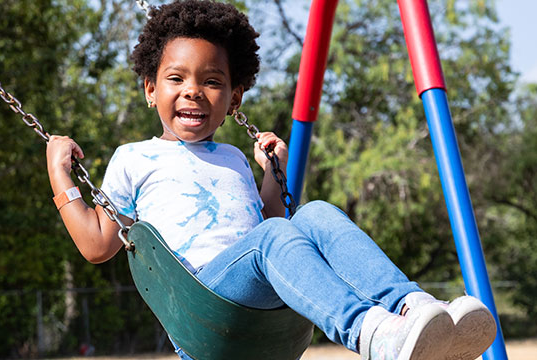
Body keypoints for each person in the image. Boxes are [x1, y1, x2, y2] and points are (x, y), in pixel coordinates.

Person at [45, 1, 497, 359]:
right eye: (175, 78)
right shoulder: (134, 157)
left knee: (315, 213)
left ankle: (412, 309)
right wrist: (60, 175)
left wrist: (269, 174)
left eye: (213, 81)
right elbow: (98, 245)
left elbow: (272, 224)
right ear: (150, 89)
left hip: (264, 307)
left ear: (234, 97)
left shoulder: (234, 158)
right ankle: (370, 333)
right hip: (203, 306)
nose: (192, 91)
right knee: (273, 237)